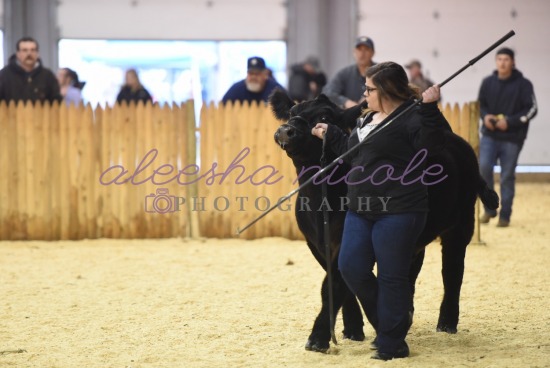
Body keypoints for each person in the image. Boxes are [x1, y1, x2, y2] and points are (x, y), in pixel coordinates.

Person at [311, 62, 449, 360]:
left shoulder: (414, 117)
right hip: (360, 207)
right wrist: (332, 135)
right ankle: (392, 324)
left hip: (399, 210)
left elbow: (433, 146)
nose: (364, 94)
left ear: (385, 90)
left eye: (369, 89)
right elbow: (354, 153)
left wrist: (429, 108)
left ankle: (391, 343)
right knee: (350, 267)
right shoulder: (368, 118)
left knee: (391, 276)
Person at [478, 47, 537, 227]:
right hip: (489, 135)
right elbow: (481, 105)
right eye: (499, 59)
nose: (502, 63)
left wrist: (510, 122)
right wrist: (485, 116)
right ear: (496, 62)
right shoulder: (488, 82)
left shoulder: (524, 84)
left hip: (512, 138)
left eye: (506, 59)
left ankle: (505, 214)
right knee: (484, 168)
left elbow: (532, 109)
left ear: (513, 62)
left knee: (507, 176)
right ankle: (489, 209)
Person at [0, 36, 61, 104]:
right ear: (18, 53)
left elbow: (56, 102)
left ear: (38, 53)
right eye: (25, 50)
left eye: (33, 50)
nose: (29, 54)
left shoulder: (48, 76)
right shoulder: (4, 75)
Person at [322, 36, 376, 108]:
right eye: (359, 49)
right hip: (351, 116)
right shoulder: (345, 73)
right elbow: (327, 92)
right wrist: (346, 102)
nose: (362, 53)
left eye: (366, 49)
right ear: (354, 52)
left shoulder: (381, 72)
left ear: (372, 53)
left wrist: (371, 98)